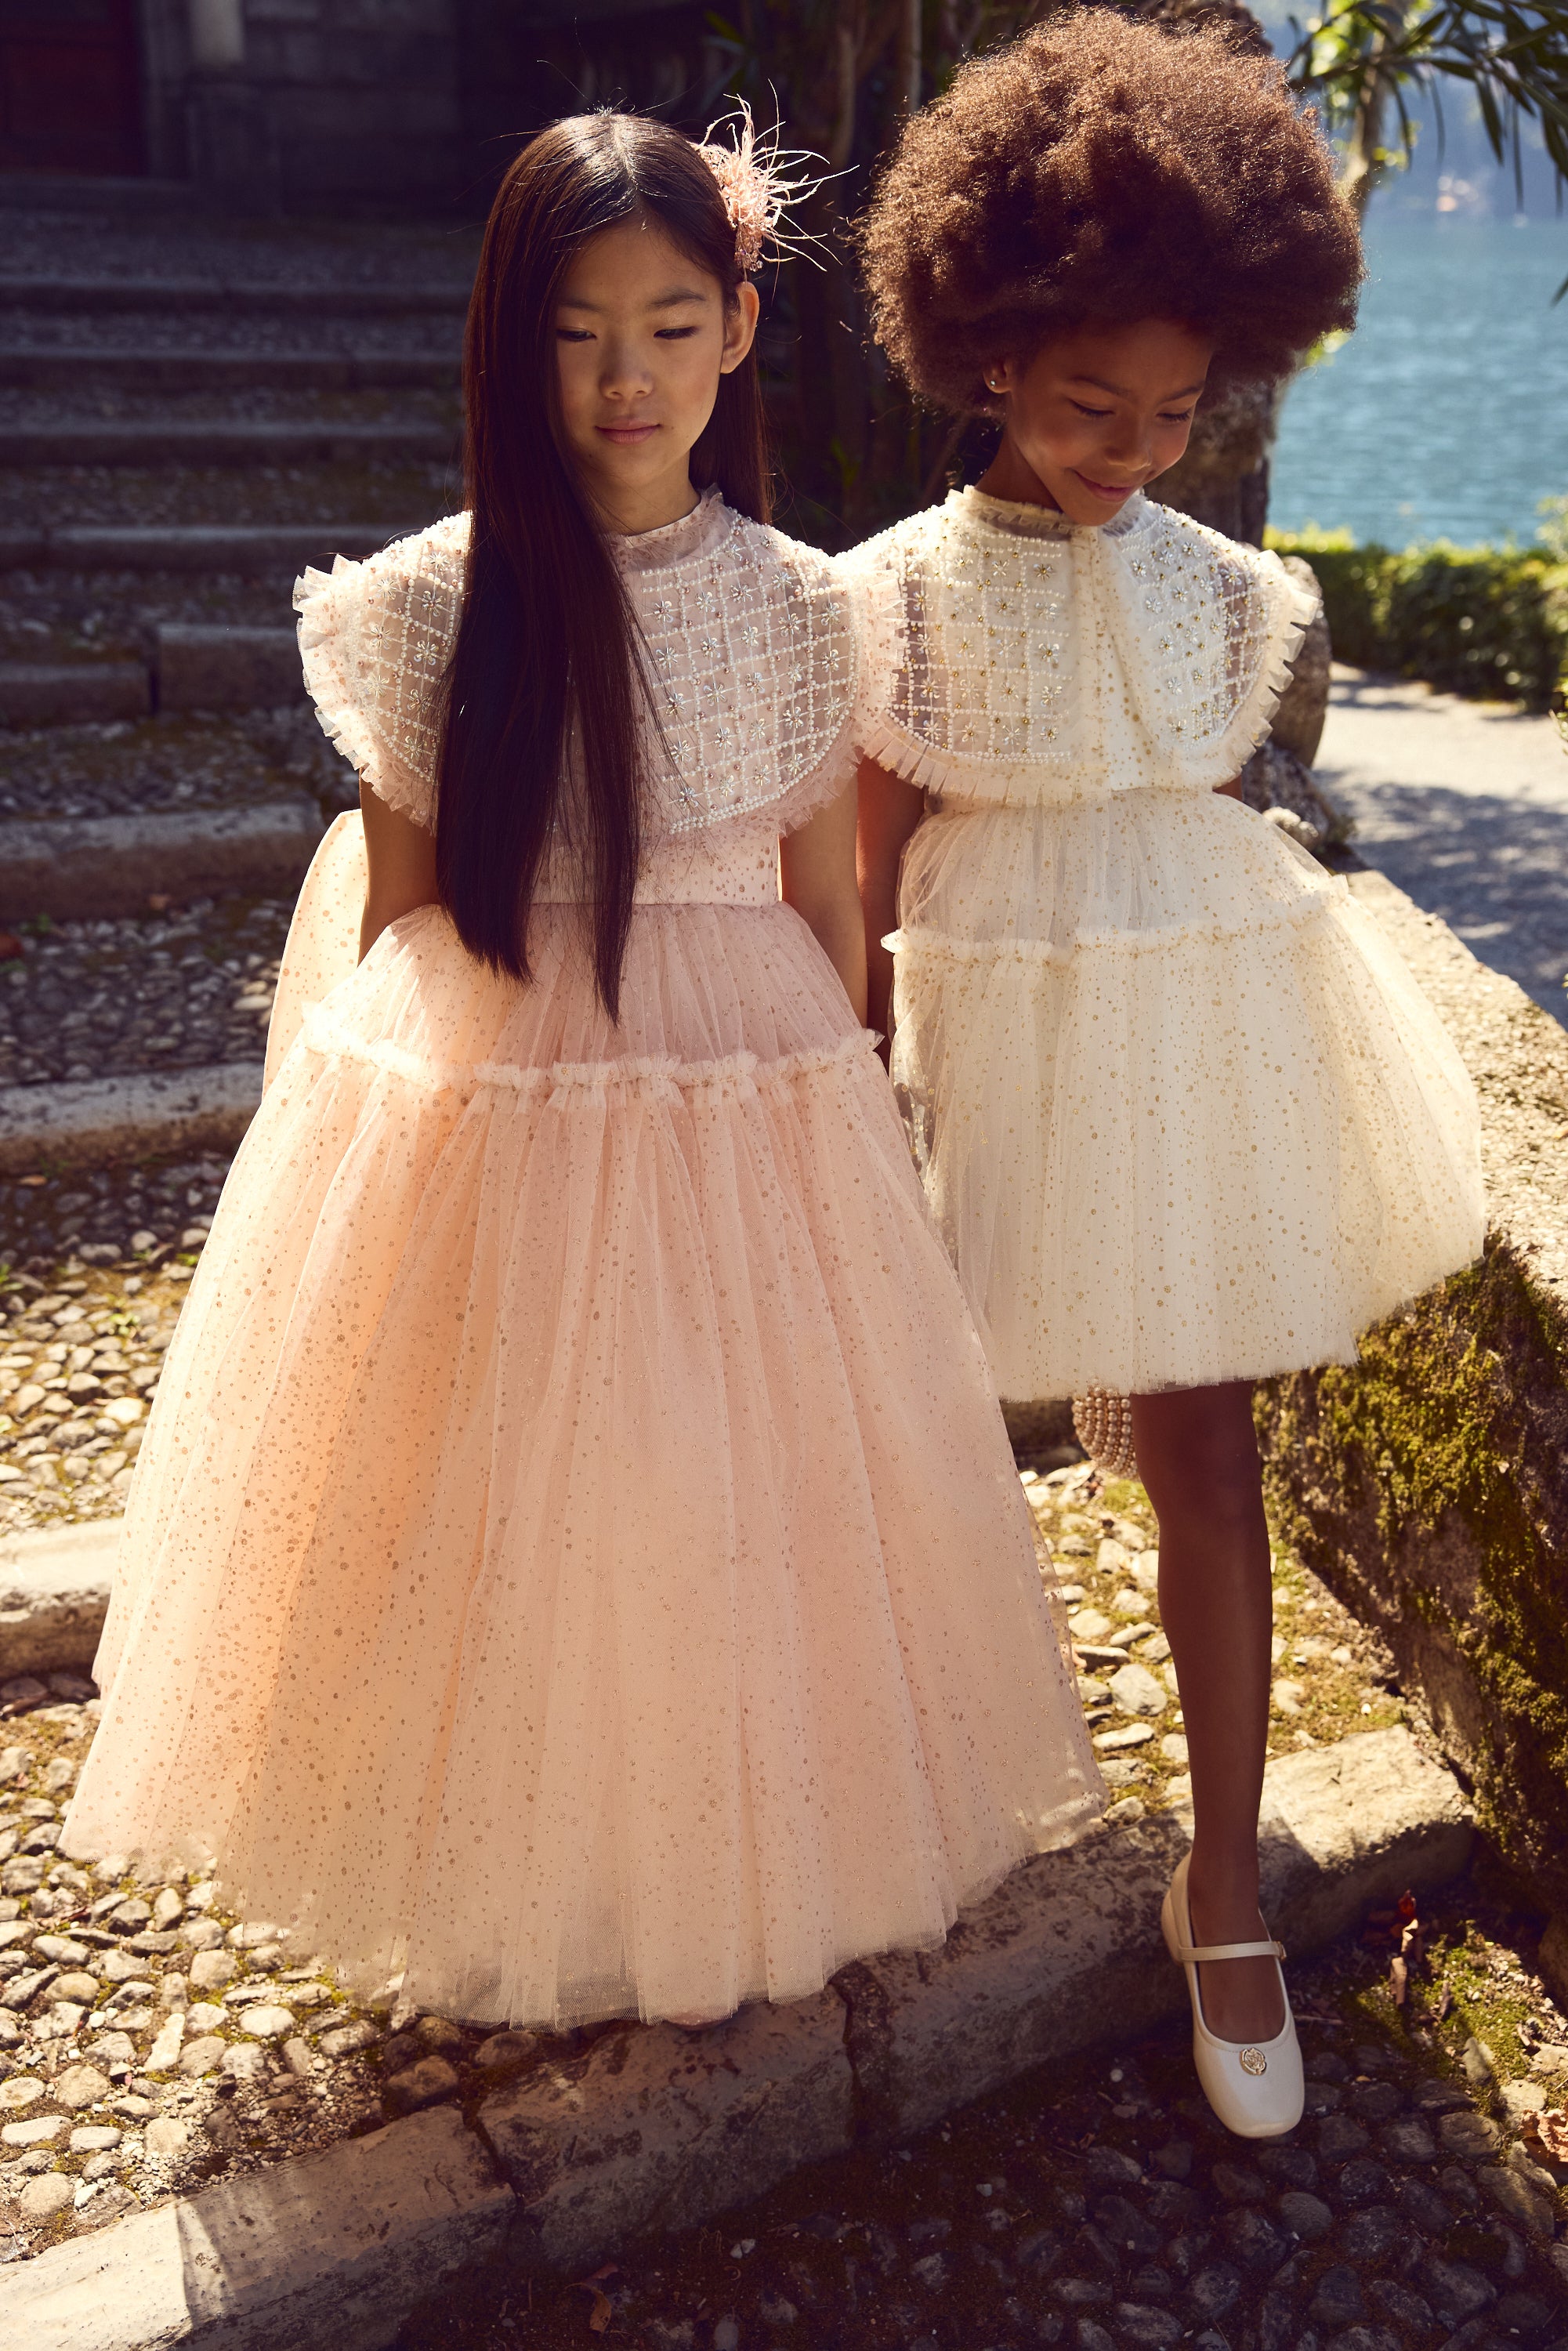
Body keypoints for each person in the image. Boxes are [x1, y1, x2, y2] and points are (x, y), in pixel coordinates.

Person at [62, 110, 1102, 2033]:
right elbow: (401, 915)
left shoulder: (806, 609)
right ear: (507, 342)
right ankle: (507, 1865)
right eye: (574, 331)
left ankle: (705, 1850)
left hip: (747, 1102)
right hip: (496, 1090)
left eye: (669, 325)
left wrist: (843, 1133)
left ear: (734, 334)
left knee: (717, 1490)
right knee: (497, 1497)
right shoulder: (423, 605)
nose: (626, 376)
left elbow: (825, 906)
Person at [847, 14, 1484, 2135]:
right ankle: (893, 1805)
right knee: (917, 1451)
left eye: (1177, 411)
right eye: (1086, 404)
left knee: (1206, 1447)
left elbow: (1198, 827)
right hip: (976, 1055)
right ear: (988, 355)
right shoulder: (884, 608)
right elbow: (858, 886)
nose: (1134, 446)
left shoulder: (1228, 601)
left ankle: (1220, 1880)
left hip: (1186, 1051)